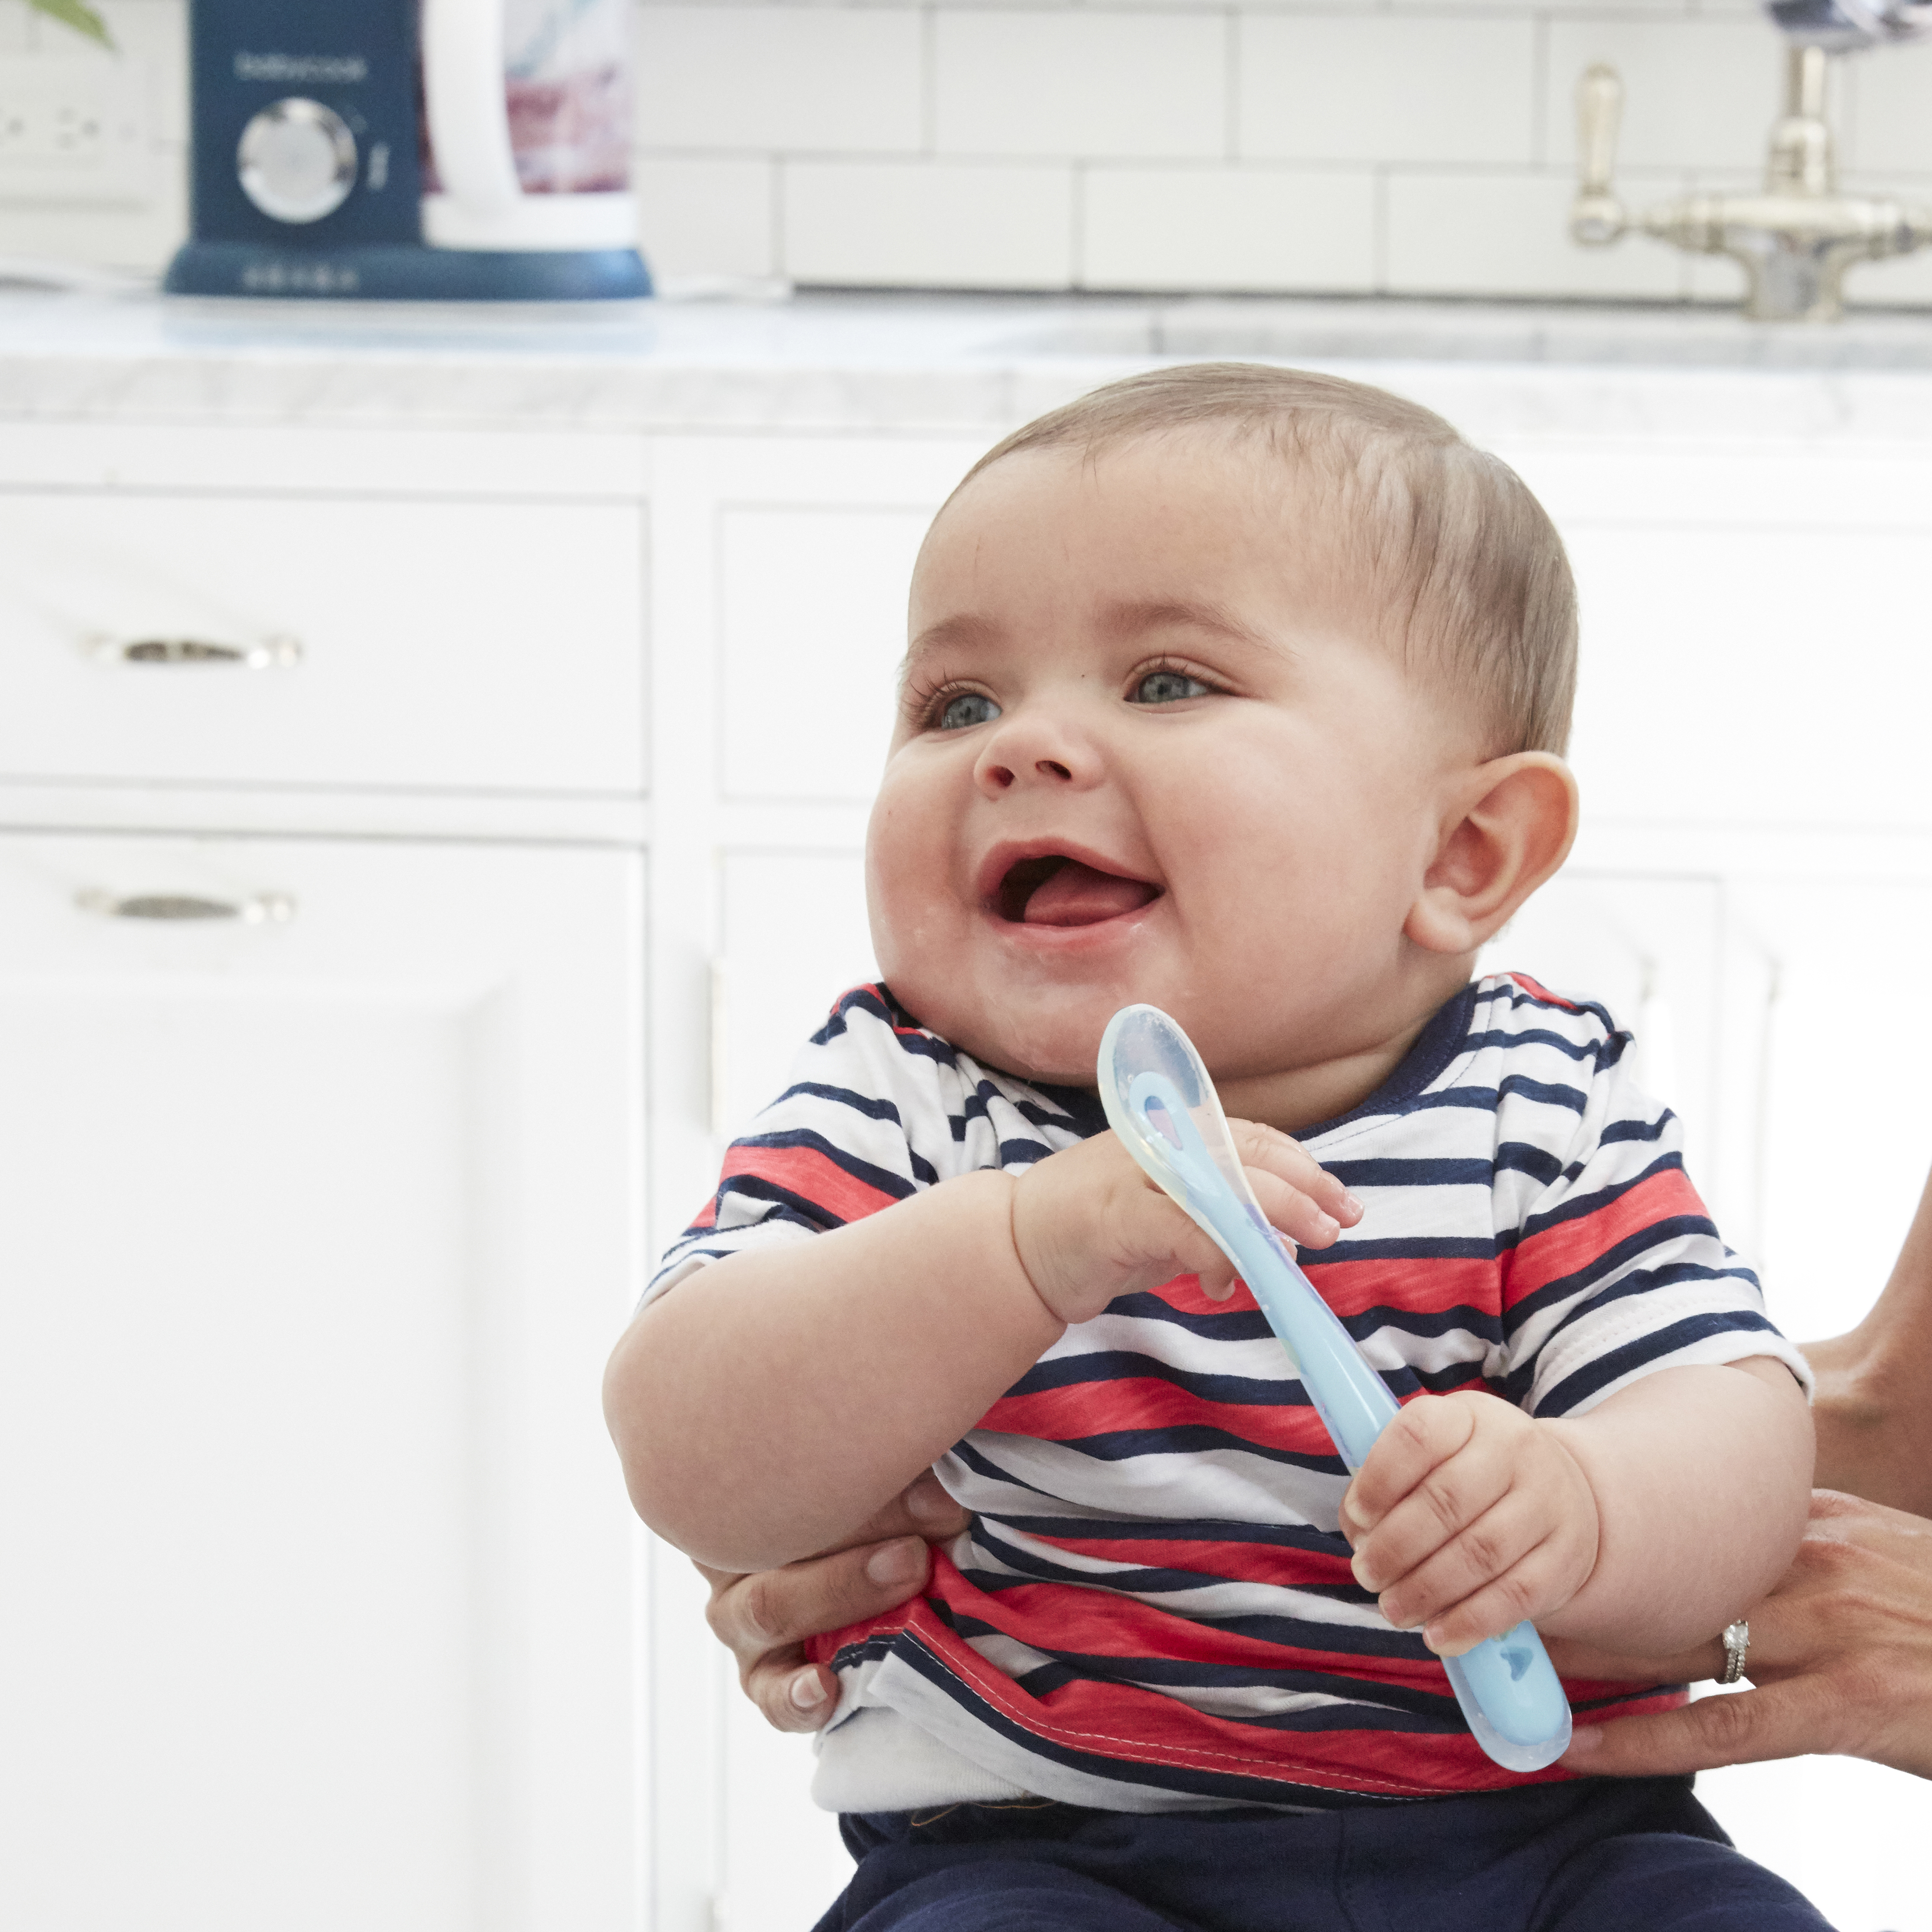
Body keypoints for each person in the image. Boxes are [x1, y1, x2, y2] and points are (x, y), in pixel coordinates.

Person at [603, 364, 1825, 1931]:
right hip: (1045, 1843)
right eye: (954, 703)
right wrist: (1020, 1245)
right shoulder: (903, 1096)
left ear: (1462, 851)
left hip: (1545, 1846)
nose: (1019, 748)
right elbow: (687, 1445)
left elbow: (1734, 1435)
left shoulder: (1543, 1095)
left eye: (1167, 681)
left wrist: (1585, 1505)